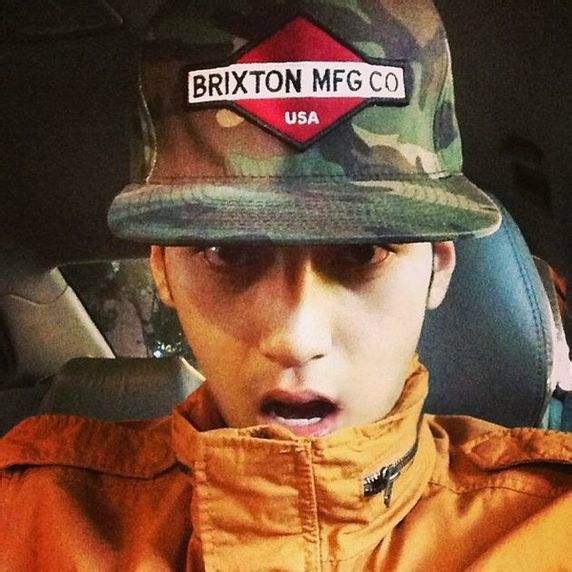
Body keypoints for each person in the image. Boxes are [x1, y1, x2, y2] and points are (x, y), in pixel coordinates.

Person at [1, 0, 571, 570]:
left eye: (363, 252)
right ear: (162, 270)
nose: (296, 339)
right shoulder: (28, 518)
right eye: (228, 253)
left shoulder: (552, 528)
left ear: (438, 267)